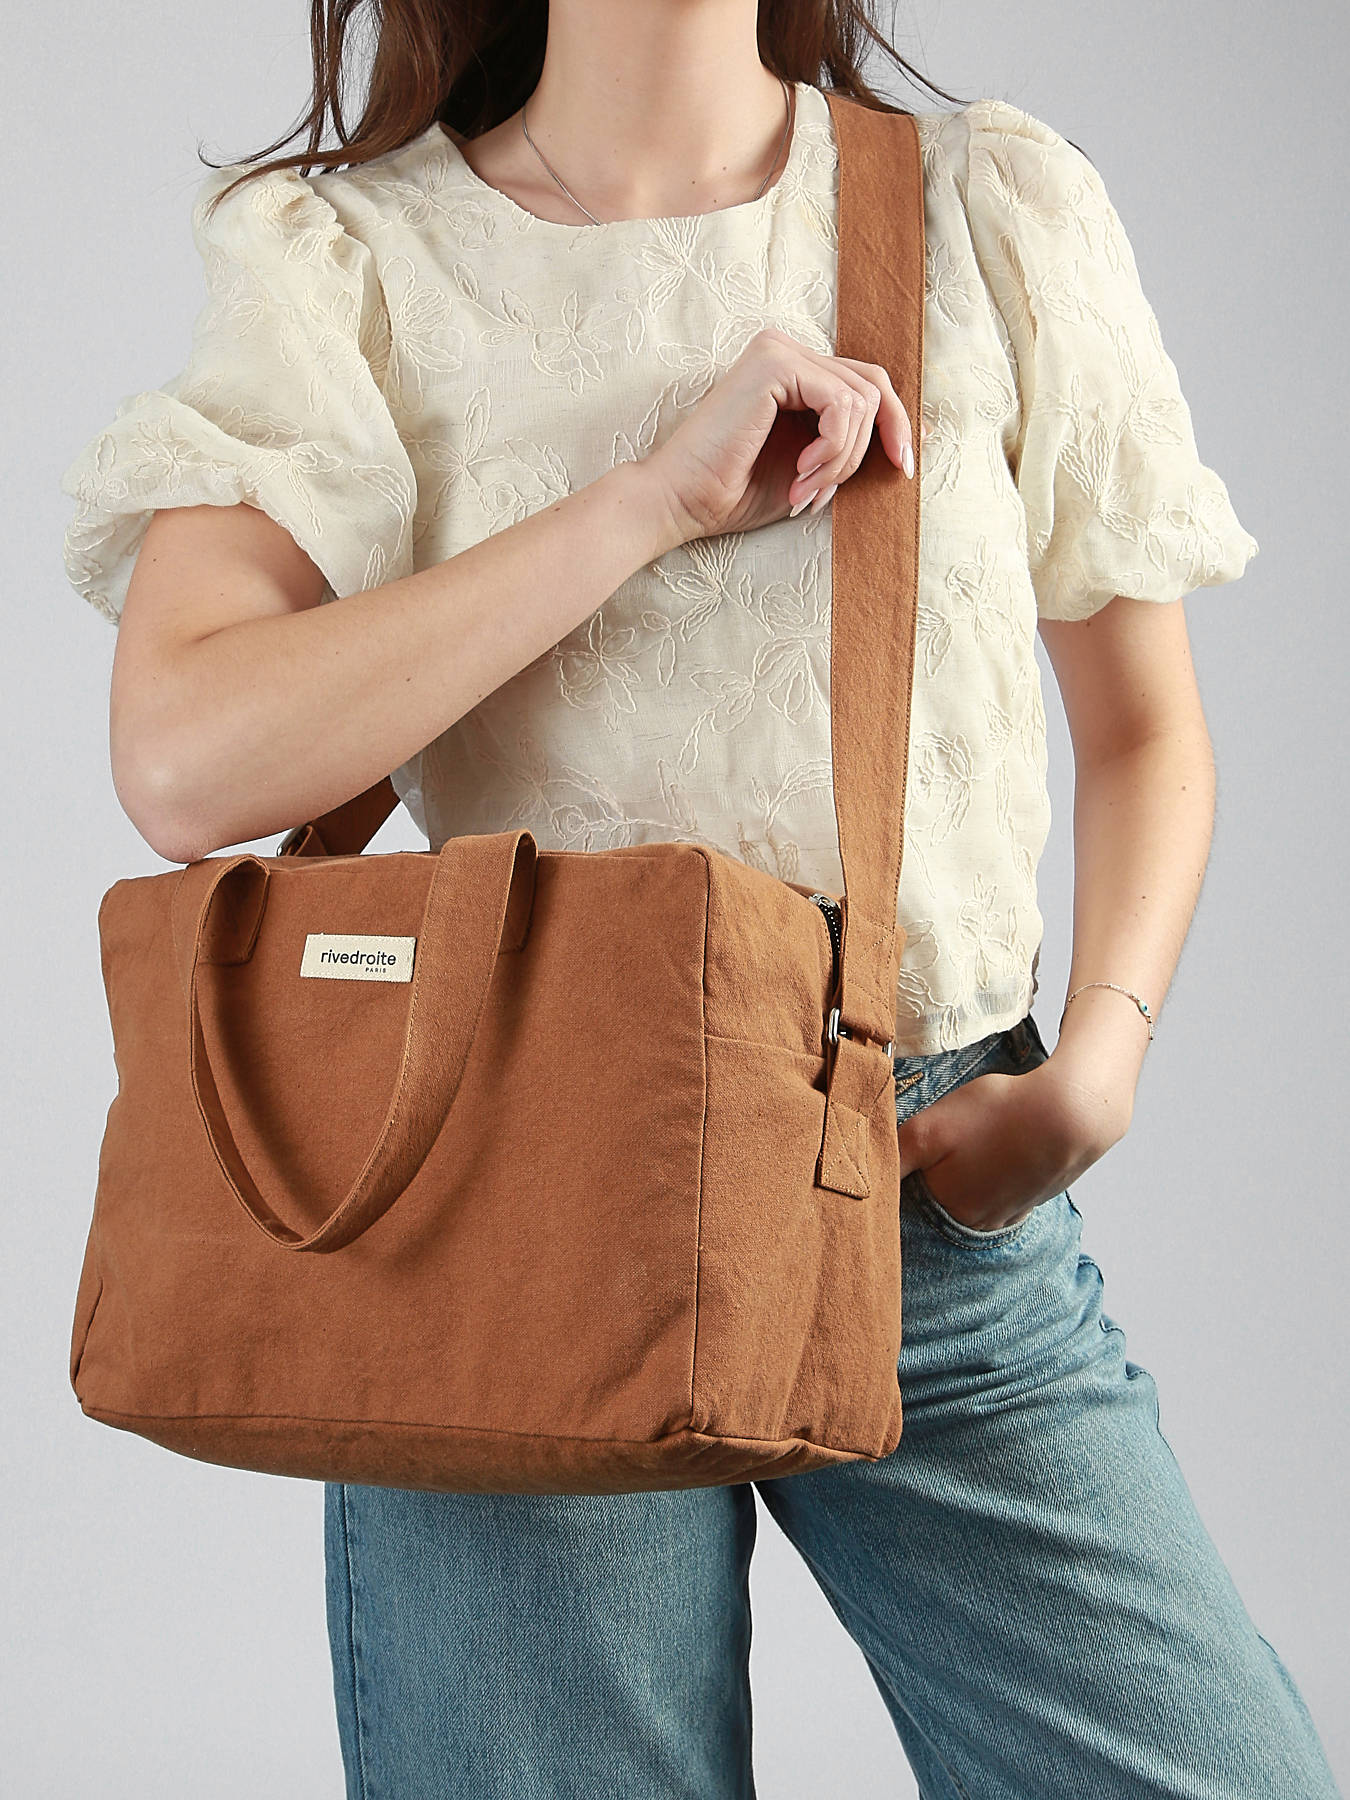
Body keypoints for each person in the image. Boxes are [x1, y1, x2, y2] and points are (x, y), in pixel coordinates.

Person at [58, 3, 1342, 1796]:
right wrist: (643, 503)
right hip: (512, 1197)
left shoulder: (984, 205)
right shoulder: (349, 261)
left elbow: (1144, 733)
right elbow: (188, 764)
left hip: (918, 1182)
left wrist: (1096, 1070)